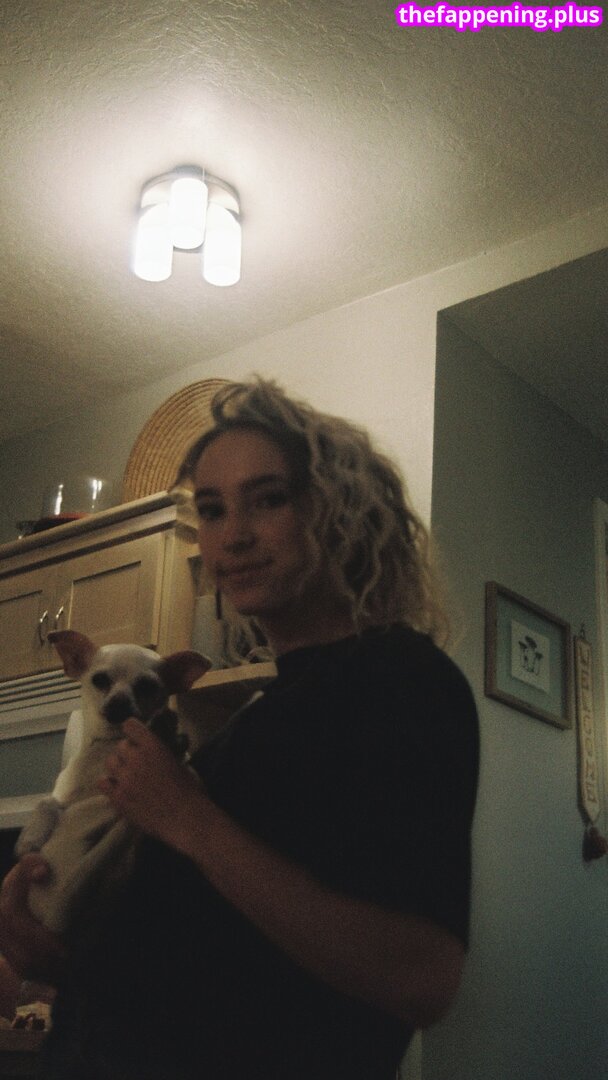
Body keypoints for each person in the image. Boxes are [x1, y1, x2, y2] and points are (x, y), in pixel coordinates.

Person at [0, 378, 479, 1079]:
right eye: (213, 510)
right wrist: (52, 956)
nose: (234, 535)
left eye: (269, 499)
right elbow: (206, 963)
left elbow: (420, 978)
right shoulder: (250, 724)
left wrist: (187, 819)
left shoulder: (399, 681)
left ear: (339, 511)